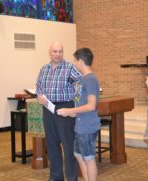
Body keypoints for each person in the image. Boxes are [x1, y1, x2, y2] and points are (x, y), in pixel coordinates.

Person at [36, 42, 81, 181]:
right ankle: (56, 177)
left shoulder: (69, 67)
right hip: (48, 109)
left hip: (65, 108)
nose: (58, 54)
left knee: (68, 146)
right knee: (52, 144)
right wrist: (39, 96)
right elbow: (38, 85)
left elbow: (82, 81)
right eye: (55, 51)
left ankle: (72, 177)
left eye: (60, 51)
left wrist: (76, 104)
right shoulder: (44, 69)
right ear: (50, 52)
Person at [57, 48, 100, 181]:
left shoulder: (91, 79)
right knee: (79, 156)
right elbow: (81, 102)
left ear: (80, 61)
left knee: (88, 158)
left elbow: (91, 105)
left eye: (75, 60)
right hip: (80, 125)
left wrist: (70, 111)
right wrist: (74, 114)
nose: (74, 63)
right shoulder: (82, 79)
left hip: (87, 126)